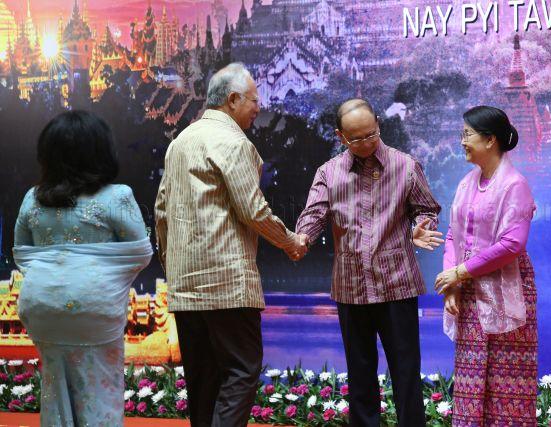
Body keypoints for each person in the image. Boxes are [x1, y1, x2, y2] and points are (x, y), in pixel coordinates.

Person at [154, 62, 308, 427]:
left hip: (187, 287)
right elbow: (253, 210)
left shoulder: (179, 142)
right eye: (254, 100)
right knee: (242, 370)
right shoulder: (235, 143)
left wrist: (172, 267)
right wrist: (290, 242)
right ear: (233, 99)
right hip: (227, 285)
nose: (258, 108)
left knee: (203, 381)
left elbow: (161, 212)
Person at [296, 98, 442, 426]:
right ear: (341, 137)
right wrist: (303, 237)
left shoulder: (405, 165)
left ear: (378, 123)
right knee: (360, 373)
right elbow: (314, 213)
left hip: (397, 284)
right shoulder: (329, 173)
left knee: (406, 370)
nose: (366, 143)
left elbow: (427, 208)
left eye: (371, 134)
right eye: (357, 139)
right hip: (351, 285)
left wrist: (423, 227)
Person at [13, 110, 152, 426]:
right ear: (101, 151)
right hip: (95, 311)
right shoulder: (117, 196)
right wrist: (91, 271)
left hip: (41, 310)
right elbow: (141, 252)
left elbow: (23, 254)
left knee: (54, 391)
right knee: (99, 394)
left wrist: (59, 268)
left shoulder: (31, 199)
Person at [435, 105, 538, 426]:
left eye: (467, 135)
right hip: (469, 291)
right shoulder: (468, 182)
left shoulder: (514, 184)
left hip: (508, 291)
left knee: (507, 384)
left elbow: (512, 244)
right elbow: (452, 234)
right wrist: (452, 283)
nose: (462, 141)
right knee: (469, 379)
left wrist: (460, 273)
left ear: (490, 140)